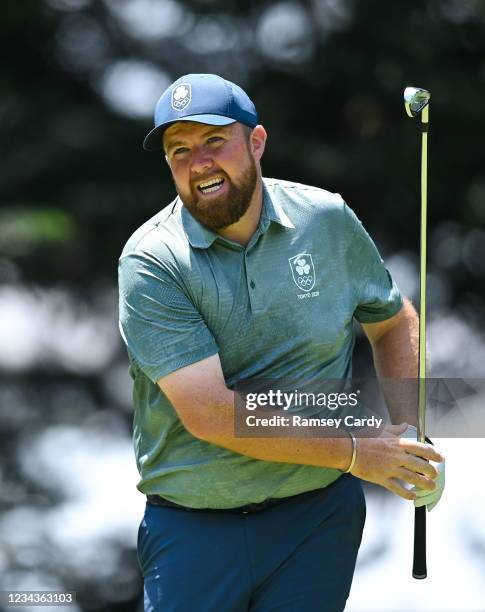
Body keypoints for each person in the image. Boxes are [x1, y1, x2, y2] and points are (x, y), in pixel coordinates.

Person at [118, 73, 445, 612]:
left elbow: (390, 319)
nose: (198, 162)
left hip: (317, 520)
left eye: (213, 141)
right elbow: (210, 412)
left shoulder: (326, 220)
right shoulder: (153, 261)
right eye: (180, 151)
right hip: (195, 530)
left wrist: (408, 430)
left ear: (257, 142)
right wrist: (361, 454)